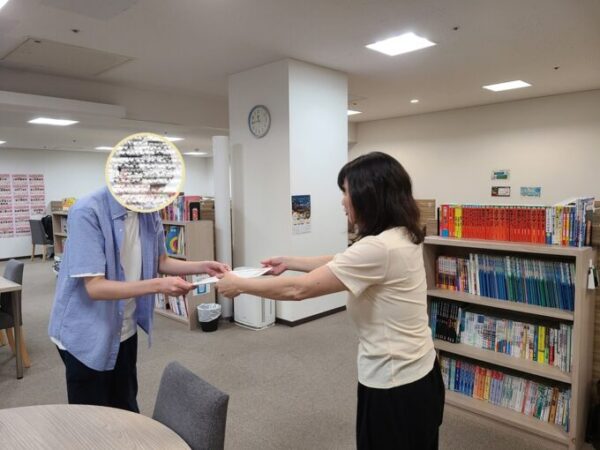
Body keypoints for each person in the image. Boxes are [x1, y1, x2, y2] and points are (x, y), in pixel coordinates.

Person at [217, 152, 444, 449]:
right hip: (421, 373)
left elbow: (298, 290)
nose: (342, 201)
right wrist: (289, 261)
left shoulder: (379, 248)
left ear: (369, 196)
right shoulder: (400, 235)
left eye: (346, 192)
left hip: (395, 383)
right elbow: (342, 261)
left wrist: (240, 285)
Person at [48, 187, 230, 412]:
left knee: (126, 407)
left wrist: (203, 266)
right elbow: (95, 287)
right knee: (93, 414)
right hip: (86, 331)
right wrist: (158, 285)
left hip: (124, 327)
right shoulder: (87, 211)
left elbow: (161, 261)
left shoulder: (148, 210)